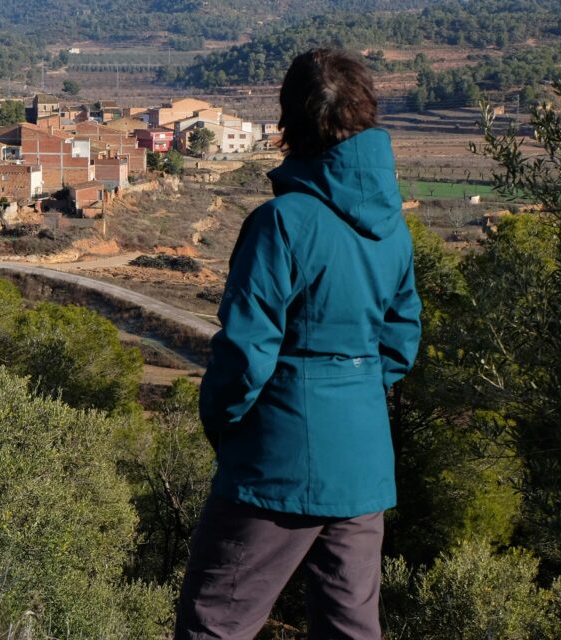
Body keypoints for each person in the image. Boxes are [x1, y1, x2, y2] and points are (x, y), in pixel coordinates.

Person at [174, 49, 422, 639]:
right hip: (361, 468)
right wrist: (352, 393)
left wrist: (227, 426)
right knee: (350, 630)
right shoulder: (393, 229)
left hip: (275, 466)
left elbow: (243, 354)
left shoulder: (281, 222)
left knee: (215, 623)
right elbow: (400, 341)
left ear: (289, 122)